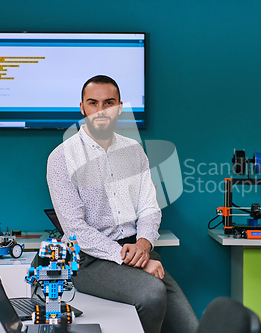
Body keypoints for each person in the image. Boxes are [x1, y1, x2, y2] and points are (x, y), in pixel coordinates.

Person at [46, 75, 198, 333]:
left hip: (136, 252)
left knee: (191, 328)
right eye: (93, 103)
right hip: (90, 259)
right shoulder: (62, 157)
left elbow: (149, 207)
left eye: (109, 103)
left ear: (119, 107)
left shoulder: (134, 150)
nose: (100, 111)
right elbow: (74, 229)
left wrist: (143, 245)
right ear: (82, 107)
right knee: (151, 294)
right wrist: (129, 257)